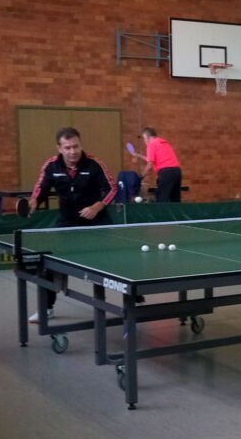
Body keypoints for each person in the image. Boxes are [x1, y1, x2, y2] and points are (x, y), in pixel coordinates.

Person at [27, 127, 117, 321]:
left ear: (80, 145)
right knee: (49, 263)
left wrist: (96, 207)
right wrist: (33, 202)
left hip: (96, 220)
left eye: (76, 146)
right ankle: (46, 308)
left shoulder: (94, 164)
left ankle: (125, 300)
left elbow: (111, 189)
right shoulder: (51, 166)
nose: (73, 151)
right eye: (67, 148)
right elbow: (40, 189)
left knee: (107, 263)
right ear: (59, 148)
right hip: (68, 221)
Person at [131, 127, 183, 203]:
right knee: (175, 200)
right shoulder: (163, 143)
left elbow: (150, 165)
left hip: (166, 173)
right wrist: (139, 155)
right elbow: (152, 159)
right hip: (177, 172)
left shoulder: (151, 144)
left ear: (147, 137)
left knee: (162, 199)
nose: (144, 141)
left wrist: (140, 177)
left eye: (144, 138)